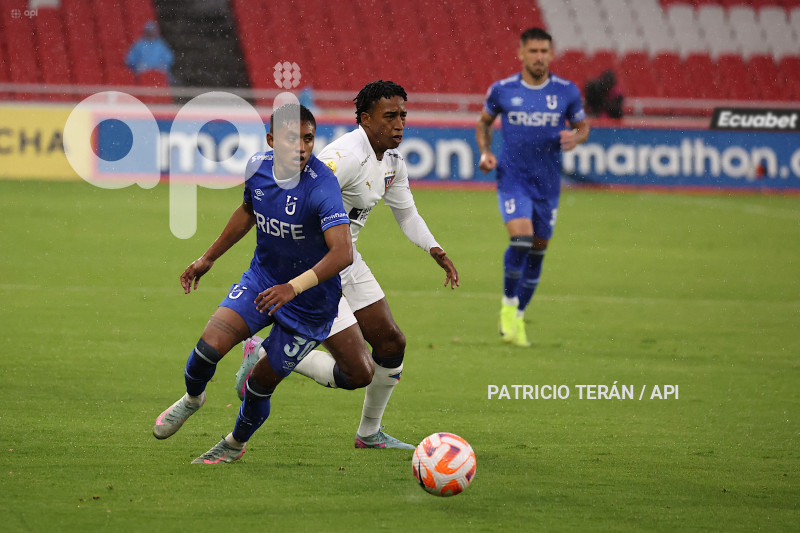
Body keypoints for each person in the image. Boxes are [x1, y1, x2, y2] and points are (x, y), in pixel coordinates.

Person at [235, 80, 460, 449]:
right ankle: (263, 355)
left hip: (347, 260)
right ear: (365, 119)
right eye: (390, 116)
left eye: (403, 114)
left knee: (391, 342)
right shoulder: (344, 158)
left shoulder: (391, 161)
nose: (400, 123)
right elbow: (296, 197)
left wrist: (435, 249)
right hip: (317, 264)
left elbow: (406, 214)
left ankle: (369, 433)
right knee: (357, 370)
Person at [152, 104, 354, 464]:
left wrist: (294, 287)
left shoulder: (323, 186)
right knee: (206, 350)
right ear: (272, 140)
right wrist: (208, 257)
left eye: (308, 139)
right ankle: (192, 399)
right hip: (262, 281)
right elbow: (248, 211)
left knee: (259, 385)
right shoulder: (257, 168)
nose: (302, 148)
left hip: (309, 303)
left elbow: (343, 253)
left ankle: (233, 444)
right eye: (293, 139)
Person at [475, 27, 590, 347]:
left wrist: (576, 137)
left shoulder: (567, 91)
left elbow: (583, 127)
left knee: (538, 252)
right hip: (513, 179)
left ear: (551, 54)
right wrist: (486, 152)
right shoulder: (502, 90)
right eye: (534, 51)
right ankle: (508, 306)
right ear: (521, 54)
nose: (539, 57)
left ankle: (519, 316)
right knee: (522, 240)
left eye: (545, 51)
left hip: (548, 184)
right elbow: (483, 122)